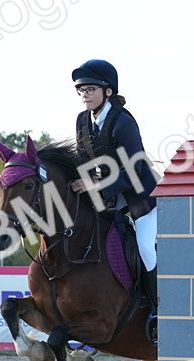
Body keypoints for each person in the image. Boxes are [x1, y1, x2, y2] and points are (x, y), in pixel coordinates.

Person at [67, 59, 160, 344]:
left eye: (90, 89)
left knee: (145, 248)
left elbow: (136, 169)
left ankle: (160, 312)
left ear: (108, 92)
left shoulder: (123, 121)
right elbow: (83, 160)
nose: (84, 94)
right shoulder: (83, 120)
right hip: (110, 199)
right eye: (81, 89)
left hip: (141, 198)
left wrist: (97, 186)